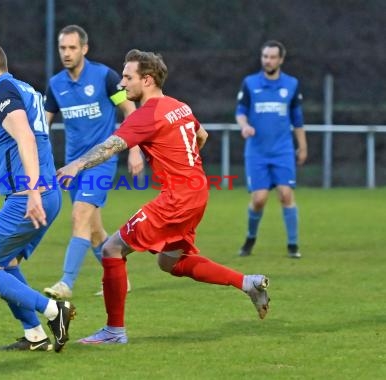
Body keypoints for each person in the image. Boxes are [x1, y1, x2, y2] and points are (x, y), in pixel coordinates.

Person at [56, 49, 270, 344]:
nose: (121, 84)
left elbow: (110, 147)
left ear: (147, 79)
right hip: (198, 191)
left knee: (111, 249)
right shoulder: (178, 105)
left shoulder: (147, 114)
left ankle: (114, 331)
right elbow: (202, 136)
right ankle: (248, 283)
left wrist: (77, 164)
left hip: (178, 197)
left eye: (128, 78)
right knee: (171, 263)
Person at [0, 40, 75, 352]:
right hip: (44, 193)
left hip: (29, 197)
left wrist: (31, 191)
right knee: (5, 263)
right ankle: (35, 336)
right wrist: (1, 178)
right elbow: (32, 142)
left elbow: (24, 136)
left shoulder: (0, 91)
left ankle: (54, 311)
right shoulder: (22, 88)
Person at [43, 25, 143, 299]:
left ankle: (66, 283)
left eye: (72, 47)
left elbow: (129, 111)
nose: (67, 53)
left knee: (80, 216)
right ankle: (120, 280)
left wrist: (134, 150)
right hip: (72, 166)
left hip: (101, 162)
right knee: (95, 231)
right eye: (63, 48)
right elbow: (43, 125)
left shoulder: (106, 77)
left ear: (84, 49)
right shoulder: (56, 85)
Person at [235, 40, 307, 259]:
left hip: (283, 150)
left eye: (273, 57)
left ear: (281, 59)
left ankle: (293, 246)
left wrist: (302, 146)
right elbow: (240, 111)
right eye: (265, 56)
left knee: (286, 194)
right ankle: (250, 239)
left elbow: (297, 119)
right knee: (259, 199)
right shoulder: (250, 83)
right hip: (257, 151)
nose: (268, 60)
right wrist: (245, 126)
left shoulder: (291, 84)